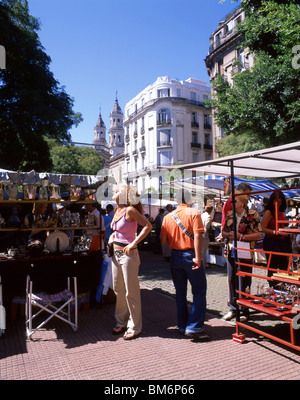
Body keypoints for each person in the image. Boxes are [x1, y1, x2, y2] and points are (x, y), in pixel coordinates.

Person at [160, 189, 209, 342]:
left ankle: (182, 326)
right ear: (189, 199)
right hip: (190, 255)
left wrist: (176, 240)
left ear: (175, 200)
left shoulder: (167, 217)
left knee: (180, 293)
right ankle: (194, 327)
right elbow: (198, 236)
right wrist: (198, 257)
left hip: (175, 255)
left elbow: (163, 241)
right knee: (199, 291)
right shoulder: (194, 213)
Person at [109, 185, 152, 340]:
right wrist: (112, 237)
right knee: (118, 289)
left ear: (125, 195)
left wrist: (134, 243)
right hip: (115, 253)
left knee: (131, 291)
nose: (114, 192)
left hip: (128, 255)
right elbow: (118, 231)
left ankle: (135, 326)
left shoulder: (130, 210)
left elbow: (148, 226)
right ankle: (120, 321)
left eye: (117, 190)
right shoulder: (116, 210)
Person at [222, 193, 262, 321]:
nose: (232, 203)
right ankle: (233, 309)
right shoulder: (229, 214)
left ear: (243, 203)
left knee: (244, 280)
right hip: (231, 250)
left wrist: (241, 237)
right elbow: (223, 231)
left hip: (245, 251)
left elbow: (258, 234)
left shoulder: (253, 215)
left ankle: (244, 310)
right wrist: (229, 234)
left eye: (235, 201)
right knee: (232, 279)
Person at [261, 190, 291, 285]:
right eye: (276, 202)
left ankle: (284, 285)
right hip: (271, 241)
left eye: (280, 202)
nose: (277, 204)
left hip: (281, 241)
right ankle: (272, 286)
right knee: (272, 265)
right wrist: (275, 232)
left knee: (284, 265)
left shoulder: (281, 212)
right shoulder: (269, 212)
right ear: (272, 201)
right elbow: (262, 228)